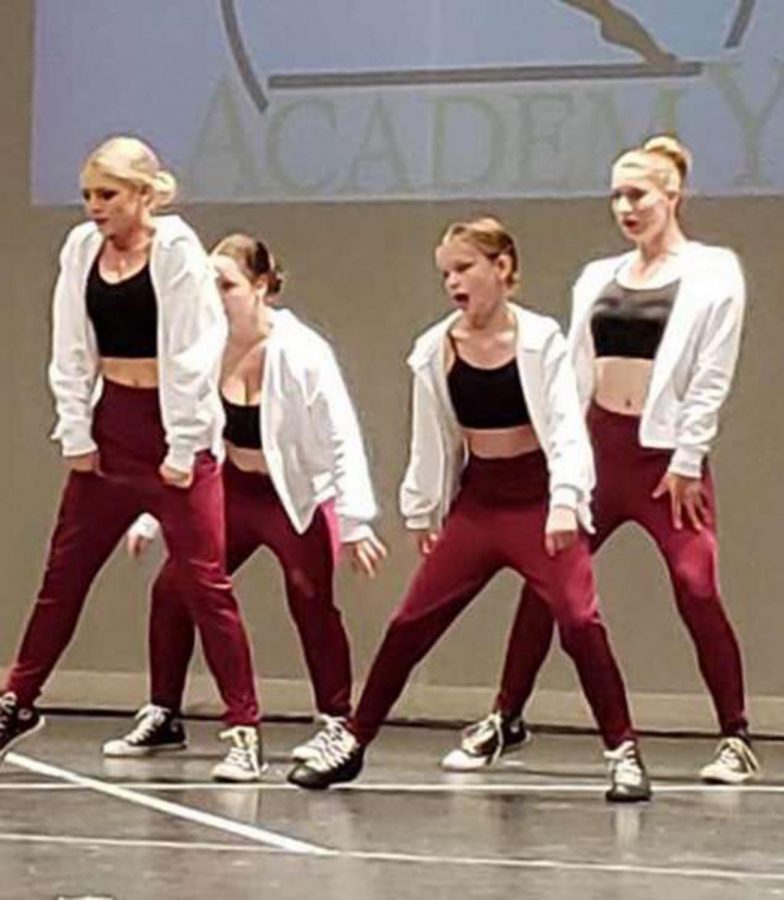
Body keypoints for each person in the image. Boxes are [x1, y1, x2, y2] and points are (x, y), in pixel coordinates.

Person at [288, 216, 651, 802]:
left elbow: (564, 429)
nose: (454, 282)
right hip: (481, 503)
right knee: (409, 623)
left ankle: (623, 751)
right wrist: (422, 508)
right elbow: (431, 437)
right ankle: (353, 740)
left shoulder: (540, 341)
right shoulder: (435, 349)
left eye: (465, 268)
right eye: (446, 273)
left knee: (580, 622)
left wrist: (565, 502)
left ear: (502, 268)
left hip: (538, 502)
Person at [442, 137, 759, 786]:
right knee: (548, 582)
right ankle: (506, 716)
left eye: (638, 194)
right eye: (616, 195)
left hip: (666, 459)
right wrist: (564, 457)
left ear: (672, 195)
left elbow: (710, 373)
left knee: (696, 585)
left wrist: (689, 455)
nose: (625, 207)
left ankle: (735, 736)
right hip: (597, 449)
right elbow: (572, 373)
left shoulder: (713, 272)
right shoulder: (597, 276)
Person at [0, 137, 262, 781]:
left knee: (205, 584)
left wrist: (180, 447)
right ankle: (17, 701)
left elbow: (196, 353)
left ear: (145, 195)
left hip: (172, 435)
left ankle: (243, 728)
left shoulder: (176, 252)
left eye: (108, 195)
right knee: (63, 578)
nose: (95, 207)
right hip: (110, 425)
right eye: (89, 195)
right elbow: (69, 342)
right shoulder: (80, 249)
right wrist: (76, 432)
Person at [102, 233, 386, 777]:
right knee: (172, 588)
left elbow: (340, 435)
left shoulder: (302, 352)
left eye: (227, 284)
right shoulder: (202, 346)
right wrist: (150, 513)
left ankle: (334, 719)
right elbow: (181, 435)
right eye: (209, 284)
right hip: (230, 489)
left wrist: (354, 521)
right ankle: (164, 712)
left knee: (310, 598)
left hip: (292, 494)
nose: (216, 295)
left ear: (261, 287)